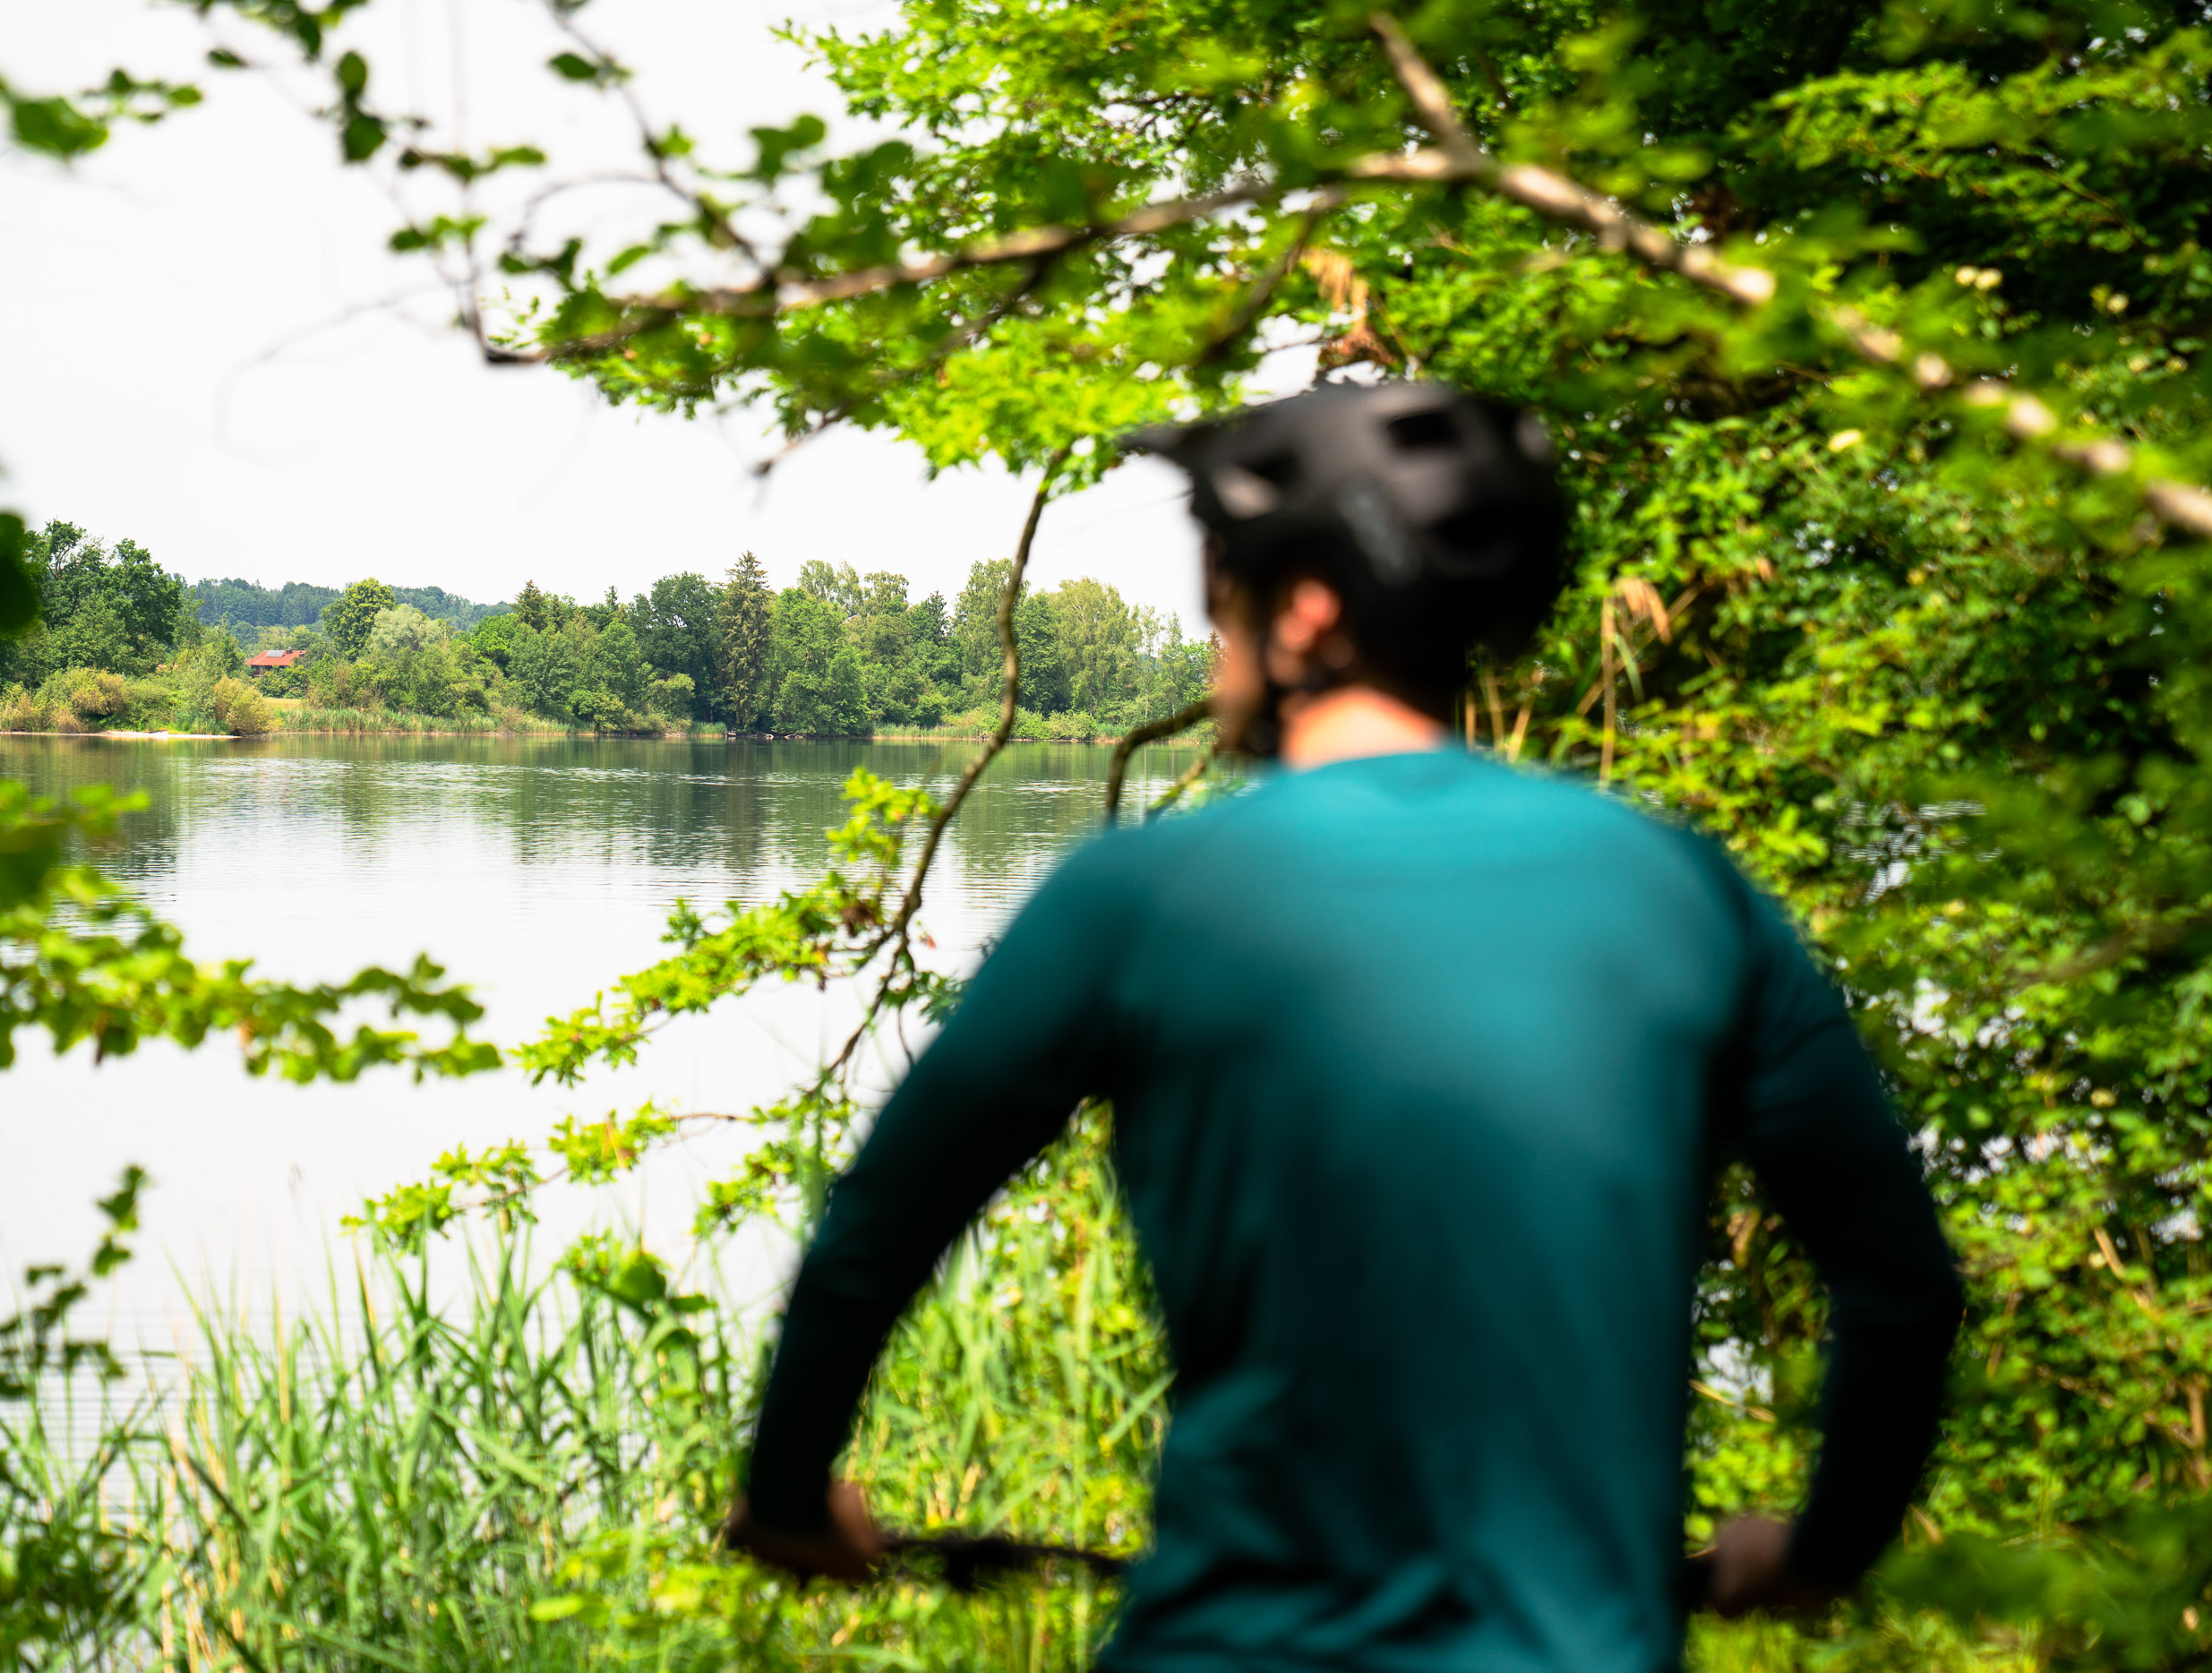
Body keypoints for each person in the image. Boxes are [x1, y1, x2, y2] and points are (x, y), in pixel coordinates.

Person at [725, 382, 1964, 1670]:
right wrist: (1825, 1549)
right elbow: (1901, 1292)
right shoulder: (1687, 892)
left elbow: (878, 1236)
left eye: (1224, 598)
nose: (1216, 647)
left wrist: (791, 1492)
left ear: (1307, 610)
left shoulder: (1144, 897)